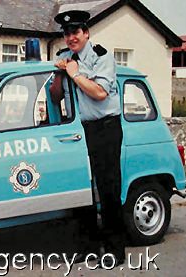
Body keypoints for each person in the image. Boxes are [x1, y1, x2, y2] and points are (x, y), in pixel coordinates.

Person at [50, 10, 125, 266]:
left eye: (75, 32)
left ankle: (115, 249)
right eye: (67, 33)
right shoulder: (63, 57)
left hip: (105, 127)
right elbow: (56, 96)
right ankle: (88, 246)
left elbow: (100, 93)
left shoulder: (102, 57)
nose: (71, 37)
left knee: (108, 188)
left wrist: (74, 73)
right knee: (81, 188)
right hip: (79, 130)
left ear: (86, 33)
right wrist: (60, 74)